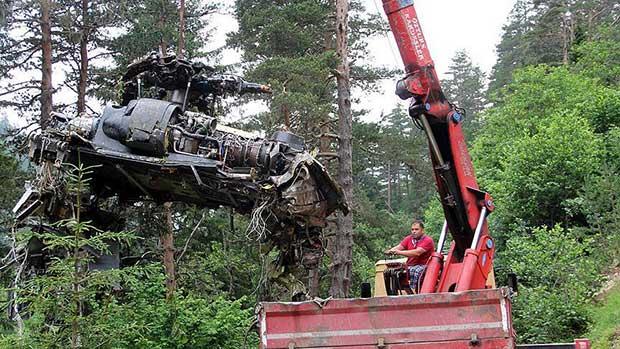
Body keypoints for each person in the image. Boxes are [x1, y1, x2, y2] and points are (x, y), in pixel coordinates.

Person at [385, 220, 435, 292]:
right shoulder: (408, 238)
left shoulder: (428, 240)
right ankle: (404, 290)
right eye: (412, 229)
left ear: (422, 230)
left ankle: (415, 290)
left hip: (424, 265)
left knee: (416, 270)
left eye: (416, 229)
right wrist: (390, 251)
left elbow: (417, 253)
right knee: (393, 272)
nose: (414, 231)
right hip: (410, 265)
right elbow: (399, 247)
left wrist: (399, 252)